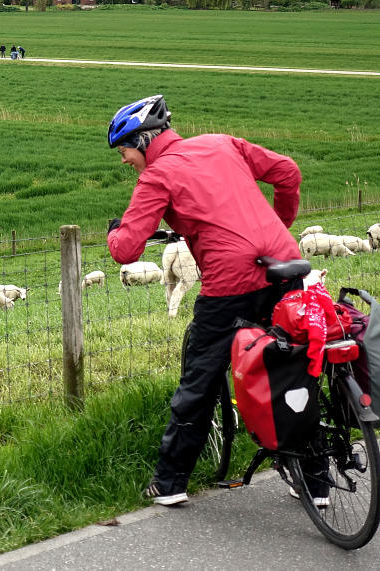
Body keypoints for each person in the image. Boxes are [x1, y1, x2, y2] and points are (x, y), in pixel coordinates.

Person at [105, 94, 302, 506]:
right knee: (294, 366)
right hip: (285, 262)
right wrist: (278, 226)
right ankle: (315, 477)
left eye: (123, 150)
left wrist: (114, 232)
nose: (124, 160)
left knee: (200, 378)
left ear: (143, 142)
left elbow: (126, 251)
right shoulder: (222, 142)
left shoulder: (157, 176)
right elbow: (287, 172)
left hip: (232, 280)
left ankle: (170, 482)